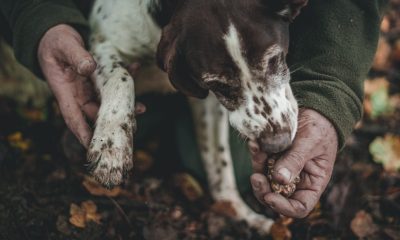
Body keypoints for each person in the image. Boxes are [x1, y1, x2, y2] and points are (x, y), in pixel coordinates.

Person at [0, 0, 388, 218]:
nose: (276, 124)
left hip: (204, 58)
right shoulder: (135, 19)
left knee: (239, 174)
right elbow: (106, 48)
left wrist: (328, 93)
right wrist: (40, 23)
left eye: (272, 63)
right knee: (91, 122)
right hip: (137, 44)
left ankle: (219, 184)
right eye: (221, 84)